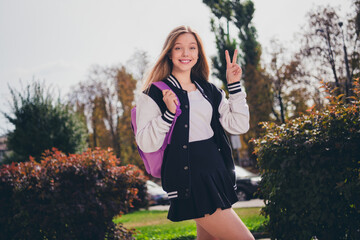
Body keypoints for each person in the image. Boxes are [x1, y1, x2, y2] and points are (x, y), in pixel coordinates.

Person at [135, 25, 254, 240]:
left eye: (192, 47)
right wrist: (168, 115)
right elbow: (145, 142)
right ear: (169, 53)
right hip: (191, 177)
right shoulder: (153, 94)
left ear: (198, 54)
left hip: (217, 172)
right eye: (179, 48)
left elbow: (238, 125)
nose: (185, 53)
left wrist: (234, 86)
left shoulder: (209, 90)